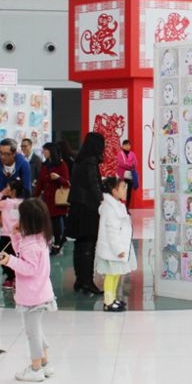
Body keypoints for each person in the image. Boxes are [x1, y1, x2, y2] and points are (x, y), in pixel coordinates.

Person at [0, 198, 57, 382]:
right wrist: (15, 235)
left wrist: (8, 260)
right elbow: (21, 251)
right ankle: (45, 363)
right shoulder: (39, 238)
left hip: (33, 296)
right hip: (39, 292)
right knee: (36, 330)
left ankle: (36, 369)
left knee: (32, 333)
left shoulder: (32, 245)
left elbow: (29, 268)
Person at [68, 132, 105, 295]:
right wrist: (102, 201)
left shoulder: (79, 160)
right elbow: (93, 184)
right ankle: (88, 282)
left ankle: (80, 280)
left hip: (77, 206)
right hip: (88, 208)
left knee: (79, 245)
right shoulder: (90, 161)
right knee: (89, 245)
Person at [95, 176, 136, 312]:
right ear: (114, 191)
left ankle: (112, 299)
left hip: (117, 248)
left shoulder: (117, 205)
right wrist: (118, 249)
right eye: (123, 188)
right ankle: (108, 302)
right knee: (111, 275)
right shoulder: (110, 208)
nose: (126, 190)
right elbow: (111, 232)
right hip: (112, 250)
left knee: (116, 273)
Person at [35, 142, 71, 255]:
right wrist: (34, 196)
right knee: (47, 221)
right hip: (47, 198)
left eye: (45, 150)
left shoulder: (62, 165)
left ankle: (57, 243)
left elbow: (67, 182)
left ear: (51, 151)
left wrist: (58, 178)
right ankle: (50, 242)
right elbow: (40, 182)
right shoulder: (44, 165)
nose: (43, 152)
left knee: (56, 221)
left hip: (57, 198)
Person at [0, 182, 25, 290]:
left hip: (6, 235)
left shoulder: (7, 203)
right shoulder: (23, 203)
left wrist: (2, 193)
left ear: (13, 190)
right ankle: (16, 278)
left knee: (2, 256)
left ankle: (11, 278)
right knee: (16, 257)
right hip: (19, 236)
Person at [116, 139, 140, 210]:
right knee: (121, 191)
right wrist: (130, 164)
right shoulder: (120, 154)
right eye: (126, 145)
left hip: (130, 175)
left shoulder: (132, 154)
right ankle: (120, 207)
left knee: (129, 192)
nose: (127, 146)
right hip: (122, 175)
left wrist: (128, 164)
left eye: (129, 145)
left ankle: (127, 208)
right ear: (122, 146)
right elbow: (122, 164)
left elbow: (135, 163)